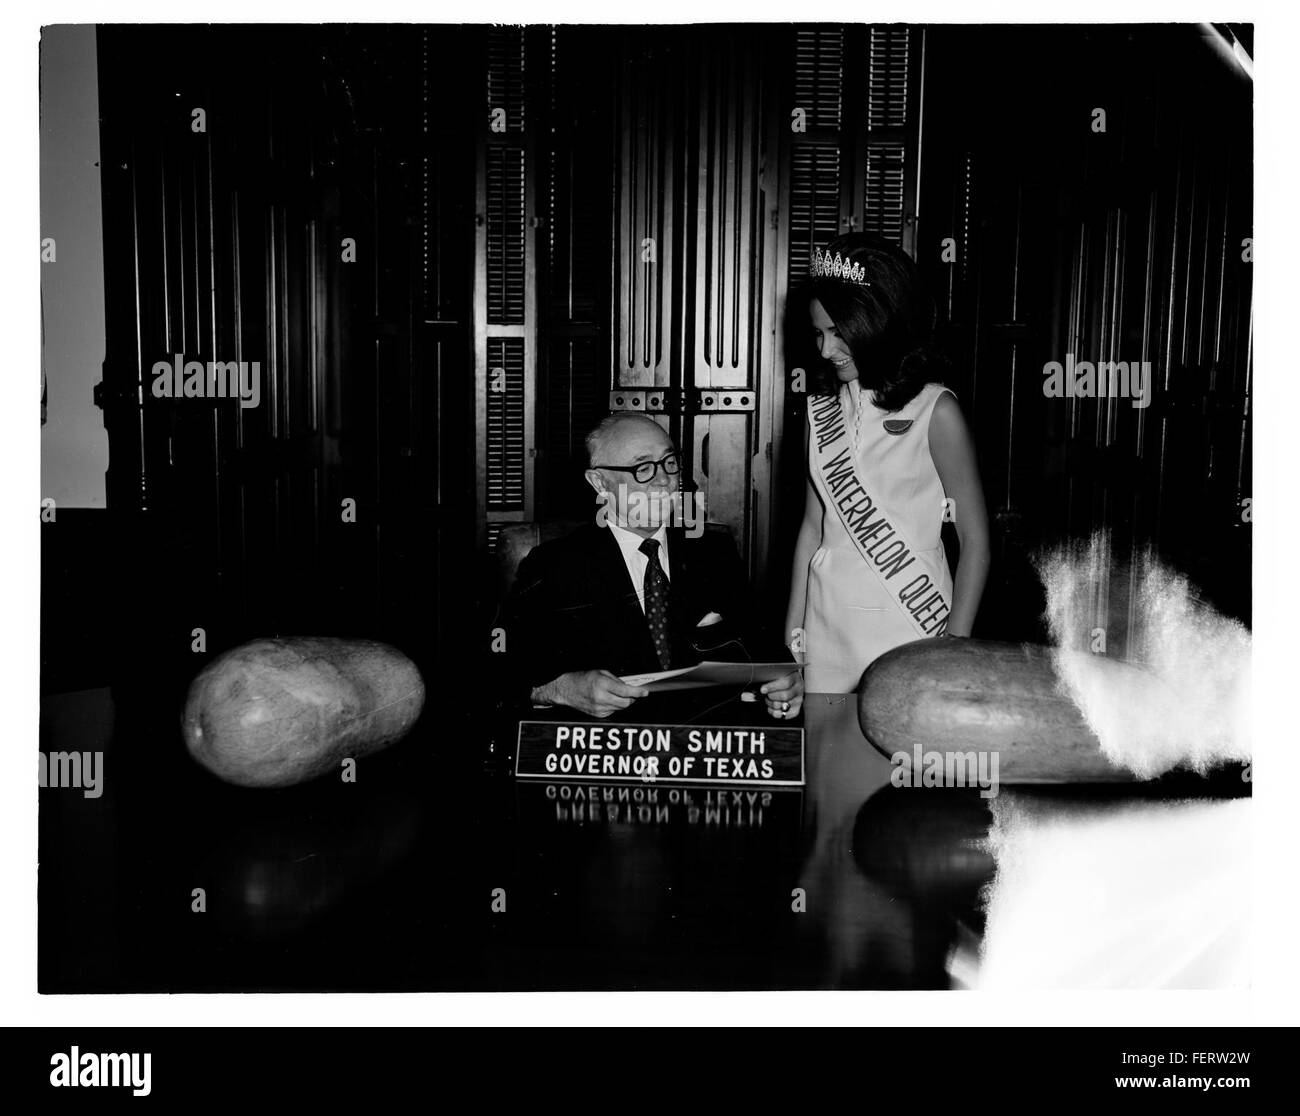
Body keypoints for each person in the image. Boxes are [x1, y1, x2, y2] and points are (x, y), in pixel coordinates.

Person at [785, 234, 990, 693]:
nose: (824, 349)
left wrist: (953, 646)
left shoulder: (937, 411)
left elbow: (975, 541)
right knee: (828, 762)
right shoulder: (819, 415)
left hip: (910, 623)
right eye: (818, 333)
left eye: (838, 332)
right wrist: (793, 627)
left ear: (877, 323)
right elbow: (810, 530)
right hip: (826, 626)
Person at [502, 414, 804, 720]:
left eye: (669, 462)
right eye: (643, 468)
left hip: (702, 746)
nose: (665, 480)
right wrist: (561, 689)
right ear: (600, 482)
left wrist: (786, 685)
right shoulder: (553, 566)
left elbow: (765, 651)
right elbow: (498, 673)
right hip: (607, 752)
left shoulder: (713, 551)